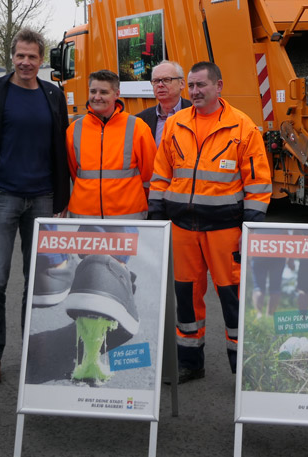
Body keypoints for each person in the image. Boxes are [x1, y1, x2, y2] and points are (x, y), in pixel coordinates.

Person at [149, 61, 272, 383]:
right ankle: (190, 362)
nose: (195, 91)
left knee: (233, 299)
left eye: (201, 85)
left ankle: (244, 368)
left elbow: (258, 183)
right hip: (182, 229)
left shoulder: (242, 127)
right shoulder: (176, 124)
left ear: (219, 86)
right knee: (186, 299)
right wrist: (157, 216)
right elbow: (161, 173)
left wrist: (251, 226)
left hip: (225, 231)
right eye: (191, 86)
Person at [0, 28, 70, 385]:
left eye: (33, 57)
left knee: (38, 282)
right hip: (2, 197)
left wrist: (62, 200)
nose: (26, 62)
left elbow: (61, 151)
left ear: (42, 60)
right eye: (20, 56)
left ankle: (33, 351)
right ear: (12, 57)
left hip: (42, 198)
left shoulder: (53, 95)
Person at [66, 69, 156, 219]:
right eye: (93, 91)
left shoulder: (137, 127)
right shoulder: (74, 129)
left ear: (117, 94)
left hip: (128, 217)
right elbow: (75, 173)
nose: (97, 97)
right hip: (84, 216)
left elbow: (149, 175)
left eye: (104, 92)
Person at [136, 60, 192, 146]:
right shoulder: (141, 120)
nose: (160, 85)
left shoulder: (196, 113)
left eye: (166, 80)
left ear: (182, 84)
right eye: (156, 81)